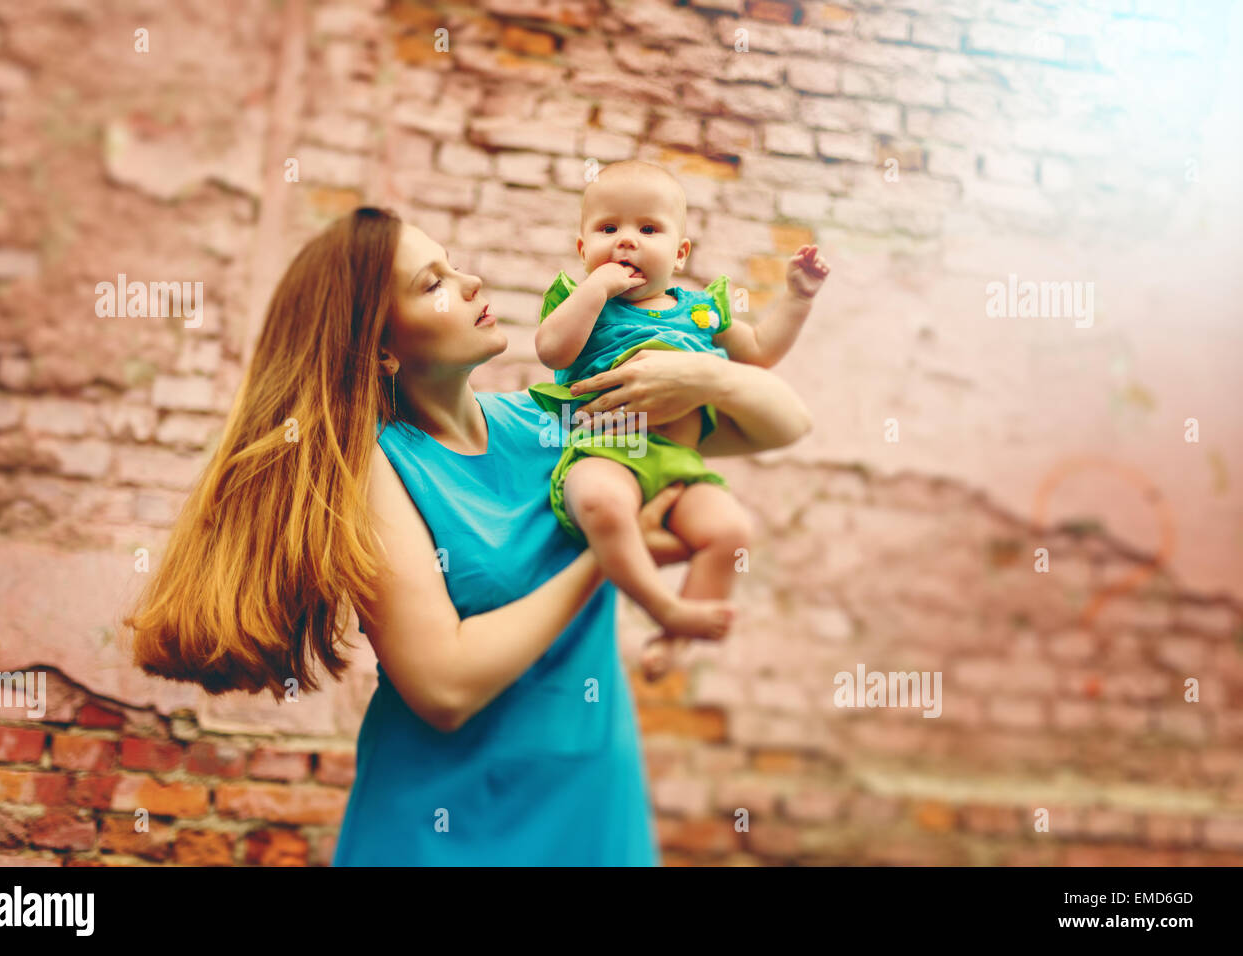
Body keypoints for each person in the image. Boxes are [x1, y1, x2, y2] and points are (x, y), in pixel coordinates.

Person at [124, 207, 813, 865]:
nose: (471, 282)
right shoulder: (374, 466)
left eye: (452, 267)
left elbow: (784, 424)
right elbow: (443, 687)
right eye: (434, 284)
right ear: (383, 347)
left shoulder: (555, 423)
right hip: (446, 825)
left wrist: (704, 374)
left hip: (591, 801)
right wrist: (607, 558)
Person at [531, 160, 830, 679]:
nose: (626, 242)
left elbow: (758, 353)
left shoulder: (700, 310)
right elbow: (552, 350)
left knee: (730, 529)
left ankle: (675, 640)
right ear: (582, 250)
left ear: (680, 252)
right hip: (608, 451)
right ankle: (660, 604)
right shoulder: (583, 303)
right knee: (600, 502)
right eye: (608, 229)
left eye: (648, 229)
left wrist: (798, 299)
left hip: (680, 463)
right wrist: (594, 291)